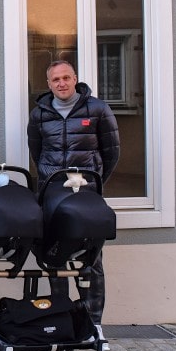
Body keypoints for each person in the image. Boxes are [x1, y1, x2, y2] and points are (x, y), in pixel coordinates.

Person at [27, 60, 120, 325]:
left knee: (90, 260)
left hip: (87, 198)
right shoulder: (40, 114)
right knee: (55, 257)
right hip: (53, 196)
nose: (62, 83)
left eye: (66, 78)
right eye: (56, 80)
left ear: (75, 78)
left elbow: (111, 152)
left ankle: (92, 322)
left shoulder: (98, 109)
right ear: (49, 84)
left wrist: (94, 181)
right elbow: (37, 152)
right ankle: (61, 317)